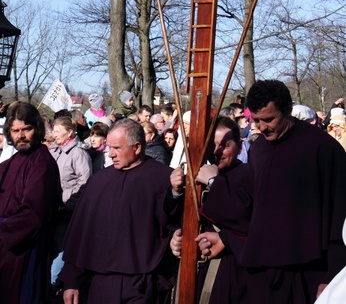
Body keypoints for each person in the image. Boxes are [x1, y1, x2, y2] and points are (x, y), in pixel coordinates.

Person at [241, 79, 346, 303]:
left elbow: (340, 216)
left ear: (288, 110)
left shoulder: (323, 149)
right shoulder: (259, 148)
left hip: (309, 272)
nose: (261, 127)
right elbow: (252, 204)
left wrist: (333, 274)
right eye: (256, 120)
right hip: (265, 271)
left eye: (269, 119)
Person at [60, 118, 183, 304]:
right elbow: (81, 234)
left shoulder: (164, 178)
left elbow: (173, 223)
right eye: (109, 148)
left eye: (117, 148)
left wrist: (175, 193)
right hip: (100, 282)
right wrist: (71, 280)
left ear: (137, 147)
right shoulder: (98, 182)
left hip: (143, 283)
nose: (110, 155)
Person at [171, 119, 253, 303]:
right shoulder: (194, 174)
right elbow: (174, 219)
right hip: (191, 268)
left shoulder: (248, 175)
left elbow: (243, 218)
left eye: (224, 145)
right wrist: (175, 192)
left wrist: (214, 183)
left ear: (239, 147)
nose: (216, 152)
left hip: (227, 269)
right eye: (212, 145)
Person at [0, 101, 61, 304]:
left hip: (25, 250)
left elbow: (34, 214)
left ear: (37, 128)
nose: (21, 135)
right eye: (16, 130)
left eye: (26, 129)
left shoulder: (42, 163)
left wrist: (3, 231)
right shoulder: (8, 164)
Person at [50, 116, 92, 293]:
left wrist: (67, 203)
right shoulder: (53, 150)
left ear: (69, 132)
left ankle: (55, 283)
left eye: (58, 131)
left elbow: (85, 184)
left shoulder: (78, 153)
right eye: (53, 130)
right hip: (52, 210)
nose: (54, 134)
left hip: (67, 212)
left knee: (62, 249)